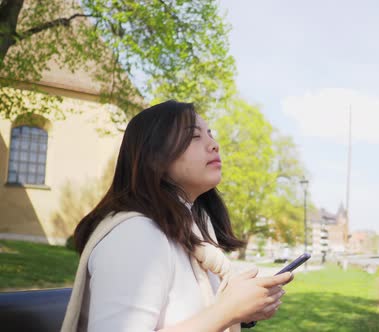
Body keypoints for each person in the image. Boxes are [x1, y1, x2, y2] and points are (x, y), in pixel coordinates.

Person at [61, 100, 293, 332]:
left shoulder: (195, 229)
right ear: (153, 157)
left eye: (210, 134)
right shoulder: (135, 235)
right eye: (194, 136)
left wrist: (243, 312)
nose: (214, 145)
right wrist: (227, 311)